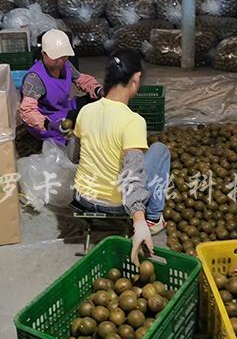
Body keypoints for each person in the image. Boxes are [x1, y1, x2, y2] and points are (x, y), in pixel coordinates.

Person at [67, 49, 170, 267]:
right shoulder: (133, 121)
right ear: (136, 78)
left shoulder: (85, 111)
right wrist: (139, 222)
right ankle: (153, 218)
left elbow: (73, 156)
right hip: (117, 206)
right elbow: (132, 177)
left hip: (83, 198)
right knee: (160, 149)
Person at [19, 29, 103, 145]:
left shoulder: (66, 65)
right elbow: (28, 111)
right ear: (44, 54)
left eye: (64, 56)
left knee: (97, 102)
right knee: (82, 114)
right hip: (47, 120)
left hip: (63, 108)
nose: (61, 60)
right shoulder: (34, 78)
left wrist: (97, 89)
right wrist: (49, 124)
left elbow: (81, 79)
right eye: (56, 57)